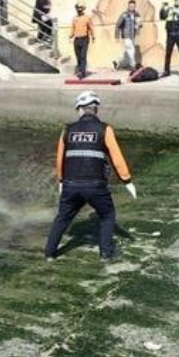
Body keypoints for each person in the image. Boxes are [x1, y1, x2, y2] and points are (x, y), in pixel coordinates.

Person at [45, 91, 136, 262]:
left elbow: (60, 159)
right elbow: (117, 158)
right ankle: (106, 254)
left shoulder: (67, 130)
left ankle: (50, 253)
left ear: (79, 109)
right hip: (95, 186)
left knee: (62, 217)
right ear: (95, 109)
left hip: (71, 184)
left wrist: (61, 181)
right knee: (107, 215)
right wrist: (127, 180)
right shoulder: (105, 129)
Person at [113, 0, 142, 70]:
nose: (132, 7)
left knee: (128, 51)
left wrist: (139, 25)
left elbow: (140, 25)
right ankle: (133, 65)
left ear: (135, 6)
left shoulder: (137, 14)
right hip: (126, 35)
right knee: (131, 49)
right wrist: (117, 36)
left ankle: (117, 62)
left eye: (133, 6)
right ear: (128, 6)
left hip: (133, 35)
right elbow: (118, 25)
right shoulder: (124, 15)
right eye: (130, 6)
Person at [69, 1, 95, 79]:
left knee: (83, 56)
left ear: (83, 9)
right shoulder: (74, 18)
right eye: (78, 8)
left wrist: (93, 36)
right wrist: (70, 36)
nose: (79, 9)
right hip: (76, 39)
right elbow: (72, 28)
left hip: (84, 39)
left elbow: (91, 27)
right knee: (78, 57)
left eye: (80, 8)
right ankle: (80, 70)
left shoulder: (87, 18)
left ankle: (82, 73)